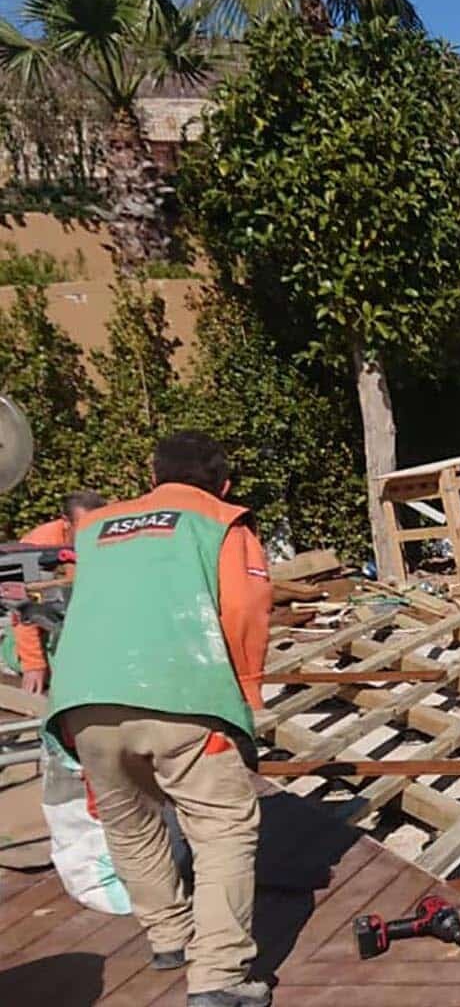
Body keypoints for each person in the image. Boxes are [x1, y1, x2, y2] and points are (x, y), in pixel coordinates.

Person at [45, 432, 274, 1007]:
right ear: (222, 483)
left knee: (129, 824)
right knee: (222, 828)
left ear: (153, 477)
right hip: (185, 694)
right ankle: (218, 976)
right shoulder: (222, 521)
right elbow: (244, 609)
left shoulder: (96, 526)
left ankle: (169, 937)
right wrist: (244, 697)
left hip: (85, 699)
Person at [4, 489, 108, 695]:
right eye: (84, 527)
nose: (92, 533)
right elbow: (23, 611)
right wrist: (33, 665)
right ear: (66, 522)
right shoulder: (37, 547)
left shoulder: (106, 538)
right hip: (40, 632)